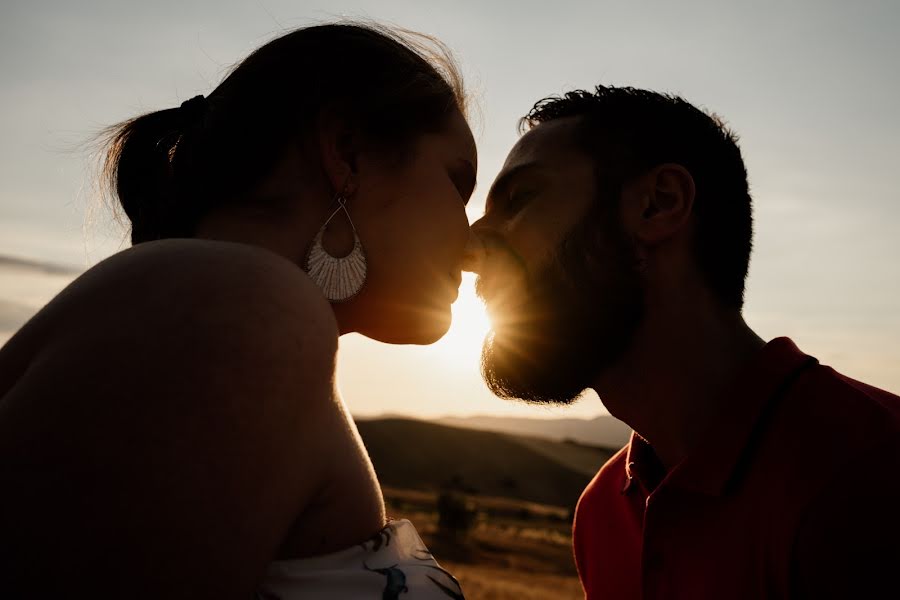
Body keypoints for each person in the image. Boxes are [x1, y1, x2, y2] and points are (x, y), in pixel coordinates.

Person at [0, 23, 474, 599]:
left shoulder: (227, 318)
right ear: (347, 154)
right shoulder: (240, 303)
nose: (474, 246)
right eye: (458, 183)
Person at [464, 85, 900, 599]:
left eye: (521, 198)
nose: (470, 247)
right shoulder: (604, 510)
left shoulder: (876, 470)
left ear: (659, 205)